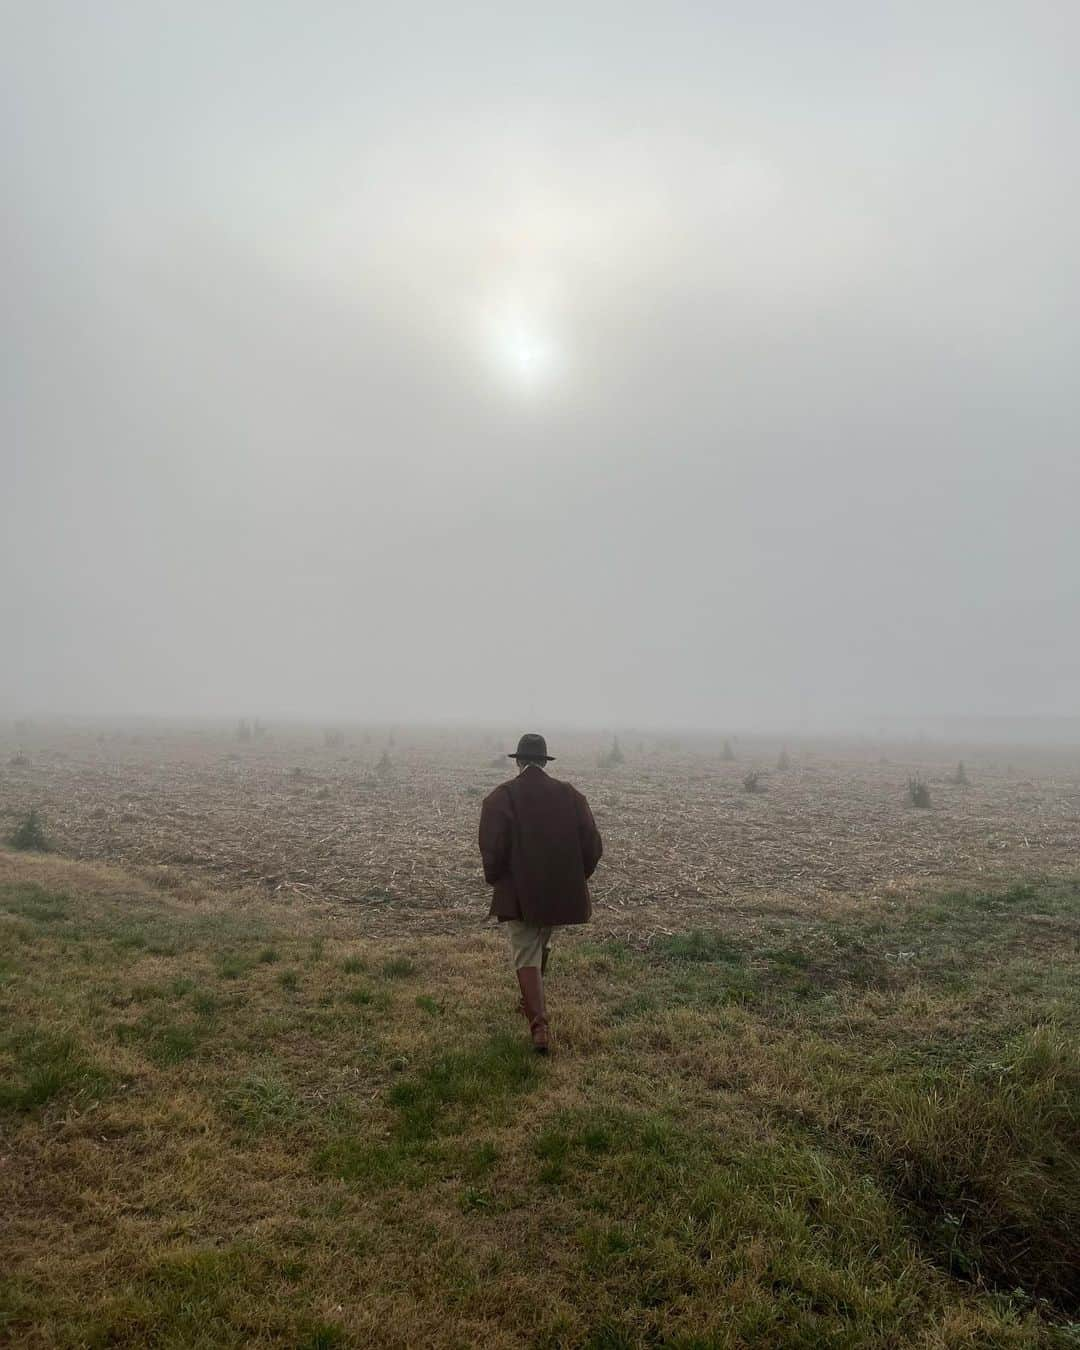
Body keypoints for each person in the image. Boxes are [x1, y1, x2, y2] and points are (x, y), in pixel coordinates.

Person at [478, 733, 603, 1053]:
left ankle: (539, 1026)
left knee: (525, 952)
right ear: (544, 762)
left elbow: (492, 849)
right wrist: (575, 877)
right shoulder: (571, 796)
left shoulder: (501, 797)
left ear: (518, 762)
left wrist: (497, 880)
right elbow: (592, 846)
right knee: (542, 943)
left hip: (519, 893)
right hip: (559, 891)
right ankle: (531, 1004)